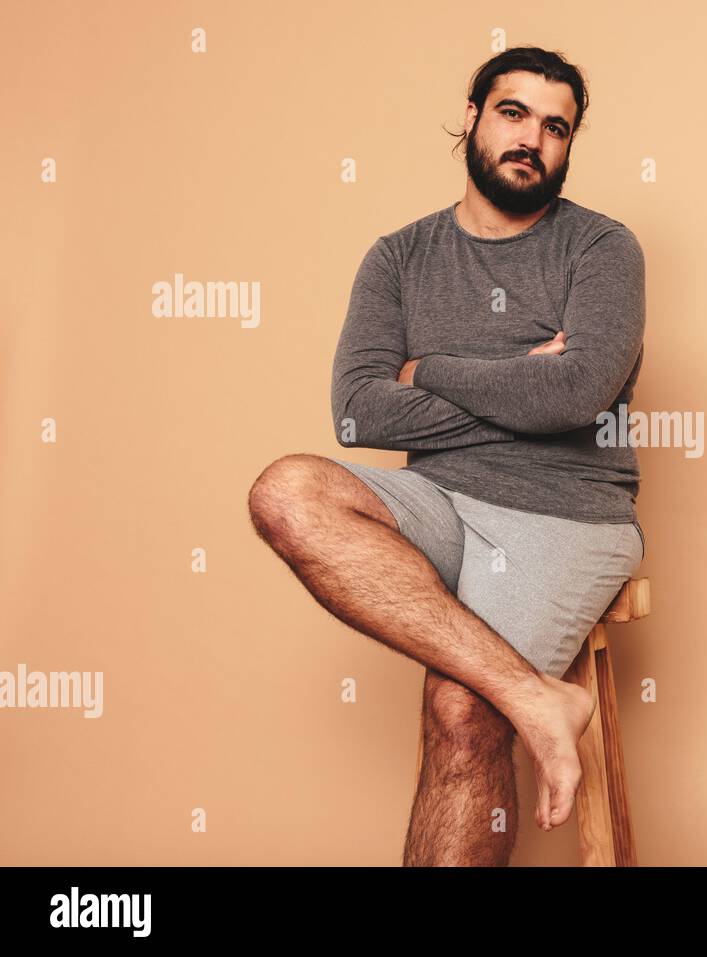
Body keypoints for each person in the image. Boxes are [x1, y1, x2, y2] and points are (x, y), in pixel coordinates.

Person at [246, 46, 647, 866]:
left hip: (565, 512)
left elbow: (573, 399)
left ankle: (507, 695)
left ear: (570, 145)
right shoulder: (397, 259)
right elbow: (357, 415)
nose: (532, 138)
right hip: (436, 503)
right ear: (471, 119)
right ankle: (535, 696)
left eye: (556, 126)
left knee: (461, 710)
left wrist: (425, 372)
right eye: (513, 114)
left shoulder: (603, 250)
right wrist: (519, 386)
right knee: (286, 489)